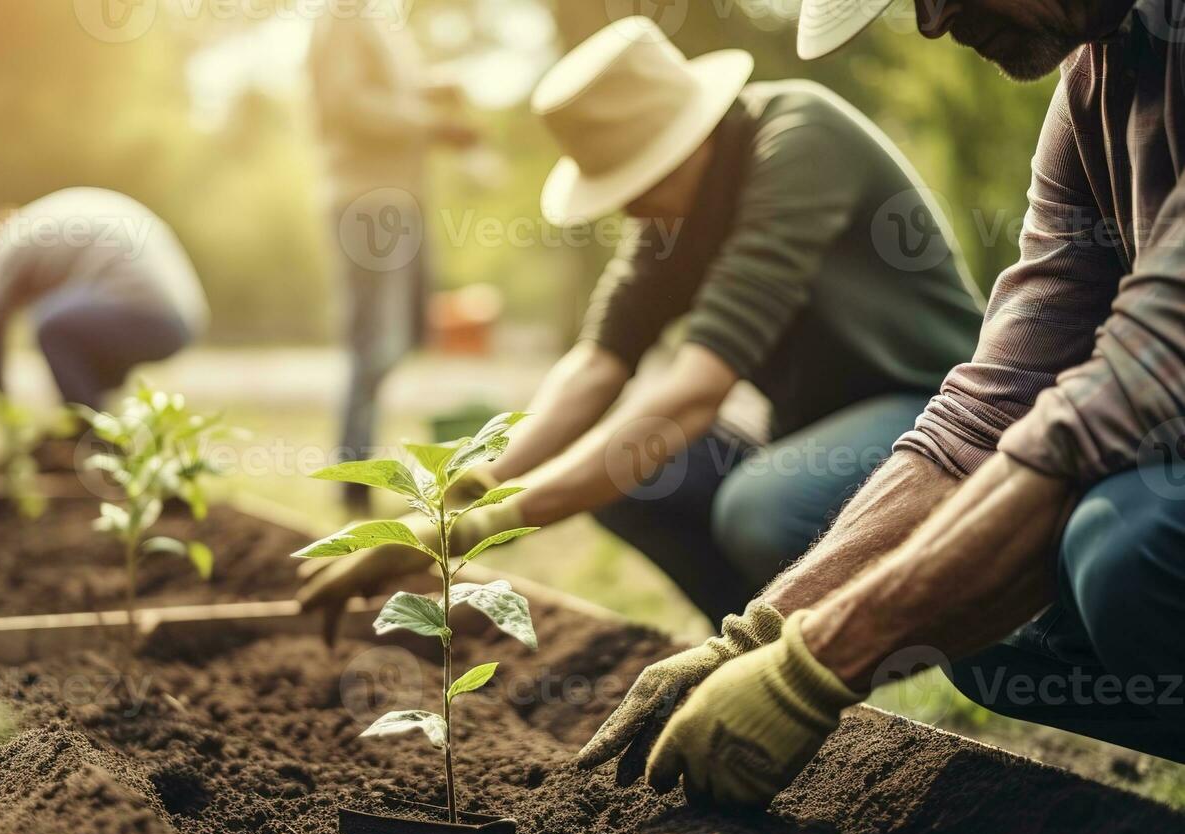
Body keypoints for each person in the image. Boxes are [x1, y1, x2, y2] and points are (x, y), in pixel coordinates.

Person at [577, 0, 1185, 808]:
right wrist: (761, 634)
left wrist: (818, 665)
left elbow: (1141, 373)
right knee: (978, 626)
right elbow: (989, 408)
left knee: (1124, 547)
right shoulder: (1090, 89)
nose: (931, 24)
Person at [298, 18, 983, 626]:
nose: (628, 210)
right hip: (809, 433)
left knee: (760, 509)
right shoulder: (673, 207)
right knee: (627, 479)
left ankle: (837, 650)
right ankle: (746, 656)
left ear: (692, 136)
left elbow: (691, 396)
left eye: (637, 180)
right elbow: (598, 363)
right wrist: (458, 498)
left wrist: (489, 526)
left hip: (941, 412)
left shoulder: (798, 141)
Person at [308, 1, 479, 514]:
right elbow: (348, 104)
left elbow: (383, 92)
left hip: (400, 200)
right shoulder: (343, 16)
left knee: (403, 335)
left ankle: (355, 468)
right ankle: (353, 478)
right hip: (369, 202)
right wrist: (432, 124)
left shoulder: (380, 20)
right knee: (375, 343)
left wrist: (431, 87)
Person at [0, 188, 208, 411]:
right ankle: (102, 430)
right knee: (75, 340)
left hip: (148, 313)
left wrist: (3, 407)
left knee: (51, 327)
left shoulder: (3, 246)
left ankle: (88, 435)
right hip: (187, 318)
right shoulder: (40, 223)